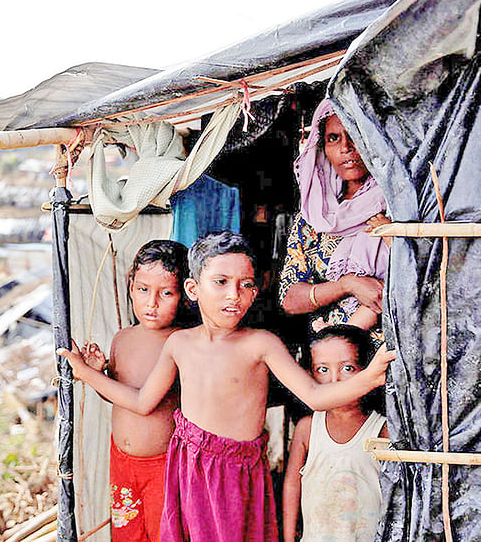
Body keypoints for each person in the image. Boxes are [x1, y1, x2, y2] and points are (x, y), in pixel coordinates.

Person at [58, 231, 394, 542]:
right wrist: (89, 374)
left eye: (245, 284)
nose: (233, 295)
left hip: (235, 474)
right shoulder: (179, 344)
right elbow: (143, 401)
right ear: (193, 289)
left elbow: (315, 395)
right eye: (220, 282)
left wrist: (368, 377)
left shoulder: (261, 344)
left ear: (255, 291)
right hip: (187, 468)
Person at [80, 239, 194, 542]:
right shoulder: (122, 338)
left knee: (165, 534)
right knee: (127, 535)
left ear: (184, 296)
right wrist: (98, 372)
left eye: (166, 293)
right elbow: (118, 397)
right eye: (143, 289)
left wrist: (87, 376)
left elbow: (145, 404)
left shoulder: (180, 342)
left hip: (163, 465)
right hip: (122, 461)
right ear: (130, 287)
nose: (151, 302)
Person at [279, 99, 392, 337]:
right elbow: (290, 299)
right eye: (333, 138)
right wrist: (346, 284)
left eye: (355, 134)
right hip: (331, 358)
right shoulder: (312, 217)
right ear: (322, 148)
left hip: (396, 354)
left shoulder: (399, 202)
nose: (346, 148)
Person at [282, 325, 388, 542]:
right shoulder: (308, 428)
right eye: (322, 369)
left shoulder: (382, 429)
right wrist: (288, 535)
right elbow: (292, 485)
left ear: (367, 370)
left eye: (347, 368)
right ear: (309, 374)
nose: (334, 380)